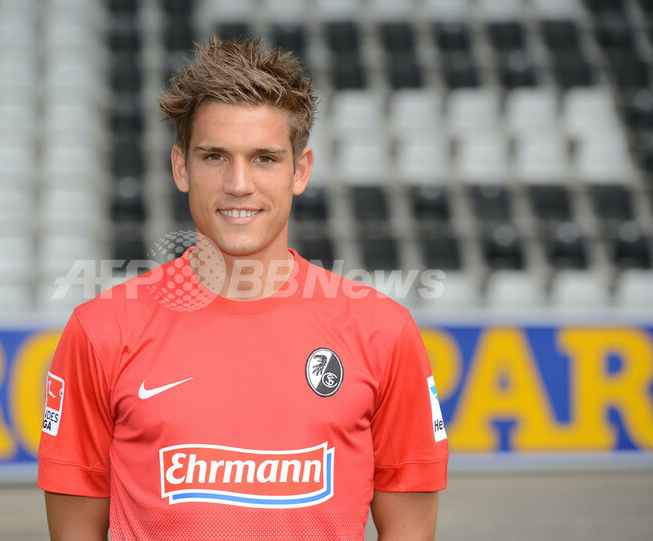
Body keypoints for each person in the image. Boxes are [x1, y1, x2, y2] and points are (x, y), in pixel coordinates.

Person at [37, 37, 448, 541]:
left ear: (300, 170)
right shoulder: (100, 331)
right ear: (181, 167)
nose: (238, 183)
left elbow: (410, 529)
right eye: (214, 156)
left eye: (264, 159)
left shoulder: (384, 332)